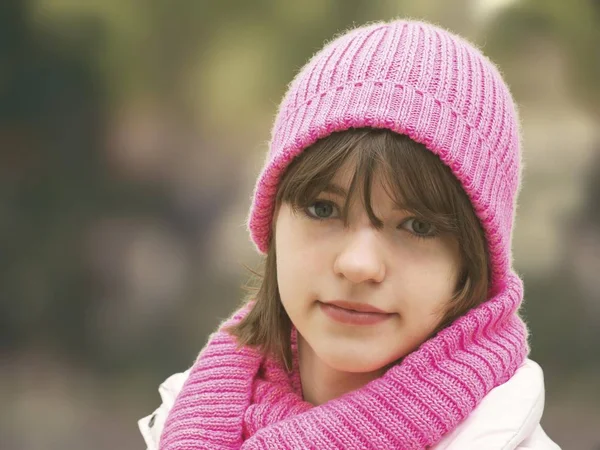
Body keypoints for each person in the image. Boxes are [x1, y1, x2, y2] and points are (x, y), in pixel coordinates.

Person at [139, 19, 560, 449]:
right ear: (272, 221)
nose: (359, 265)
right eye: (323, 209)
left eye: (417, 226)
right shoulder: (184, 422)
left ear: (473, 260)